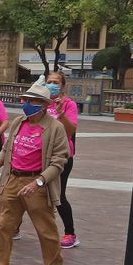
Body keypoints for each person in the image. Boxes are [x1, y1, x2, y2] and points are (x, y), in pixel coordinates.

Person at [0, 81, 69, 265]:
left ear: (44, 105)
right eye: (25, 100)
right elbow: (7, 149)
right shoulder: (19, 122)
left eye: (32, 101)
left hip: (36, 182)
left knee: (46, 230)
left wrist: (39, 182)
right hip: (12, 179)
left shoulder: (55, 128)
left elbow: (59, 161)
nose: (26, 104)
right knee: (3, 226)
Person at [42, 71, 80, 249]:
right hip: (40, 153)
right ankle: (15, 228)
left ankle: (70, 233)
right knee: (31, 191)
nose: (52, 84)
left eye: (56, 82)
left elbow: (71, 130)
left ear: (62, 85)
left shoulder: (68, 104)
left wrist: (60, 114)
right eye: (49, 81)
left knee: (58, 195)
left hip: (61, 155)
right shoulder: (41, 102)